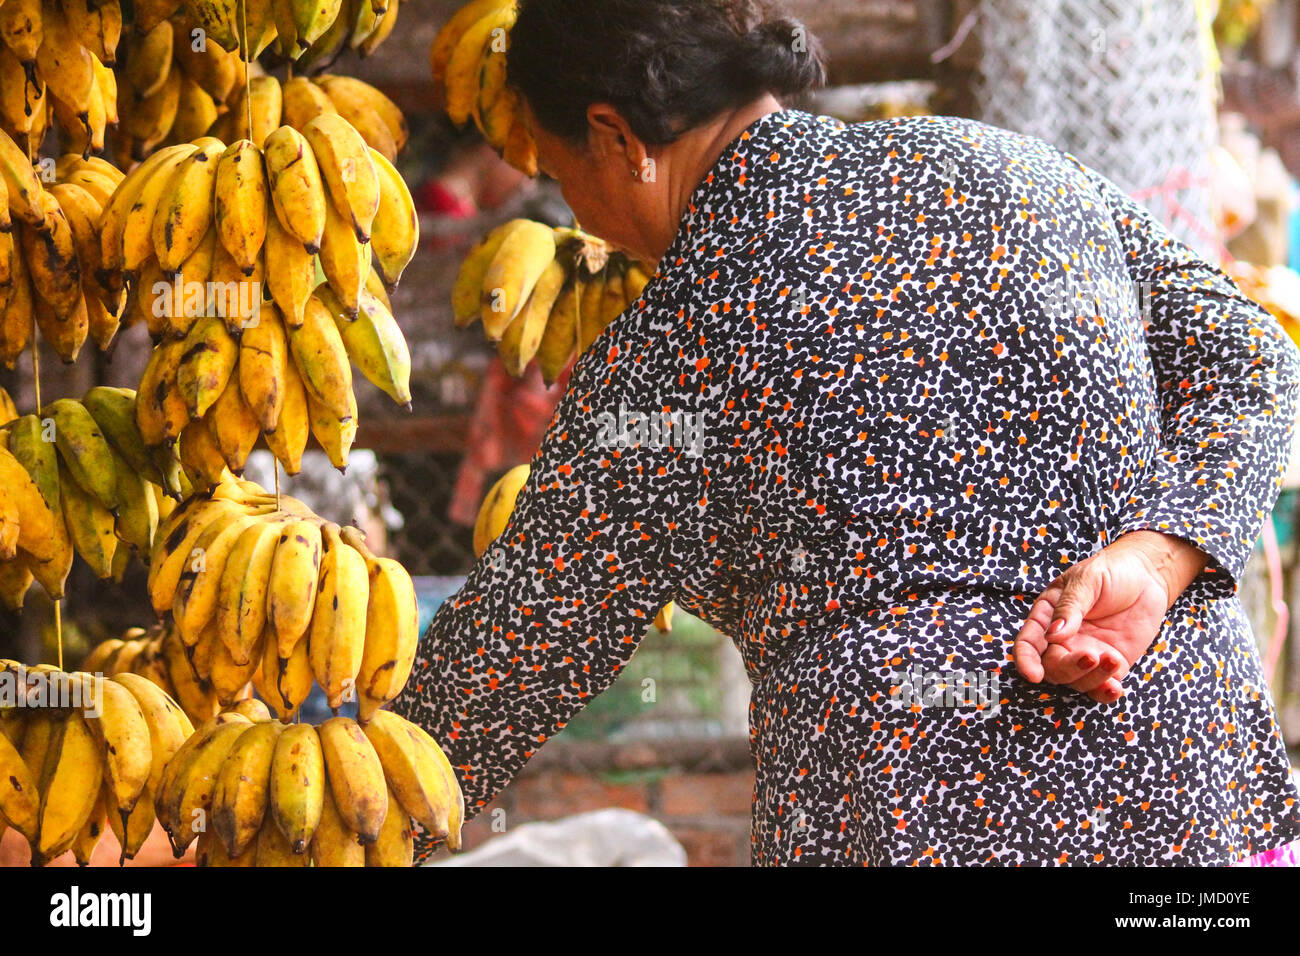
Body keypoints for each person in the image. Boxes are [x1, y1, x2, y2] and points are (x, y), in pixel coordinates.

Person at [393, 0, 1300, 866]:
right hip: (1180, 770)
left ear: (616, 138)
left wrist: (332, 818)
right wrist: (1157, 556)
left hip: (913, 796)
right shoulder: (1011, 168)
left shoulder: (666, 352)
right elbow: (1253, 351)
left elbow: (504, 663)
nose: (577, 212)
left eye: (561, 173)